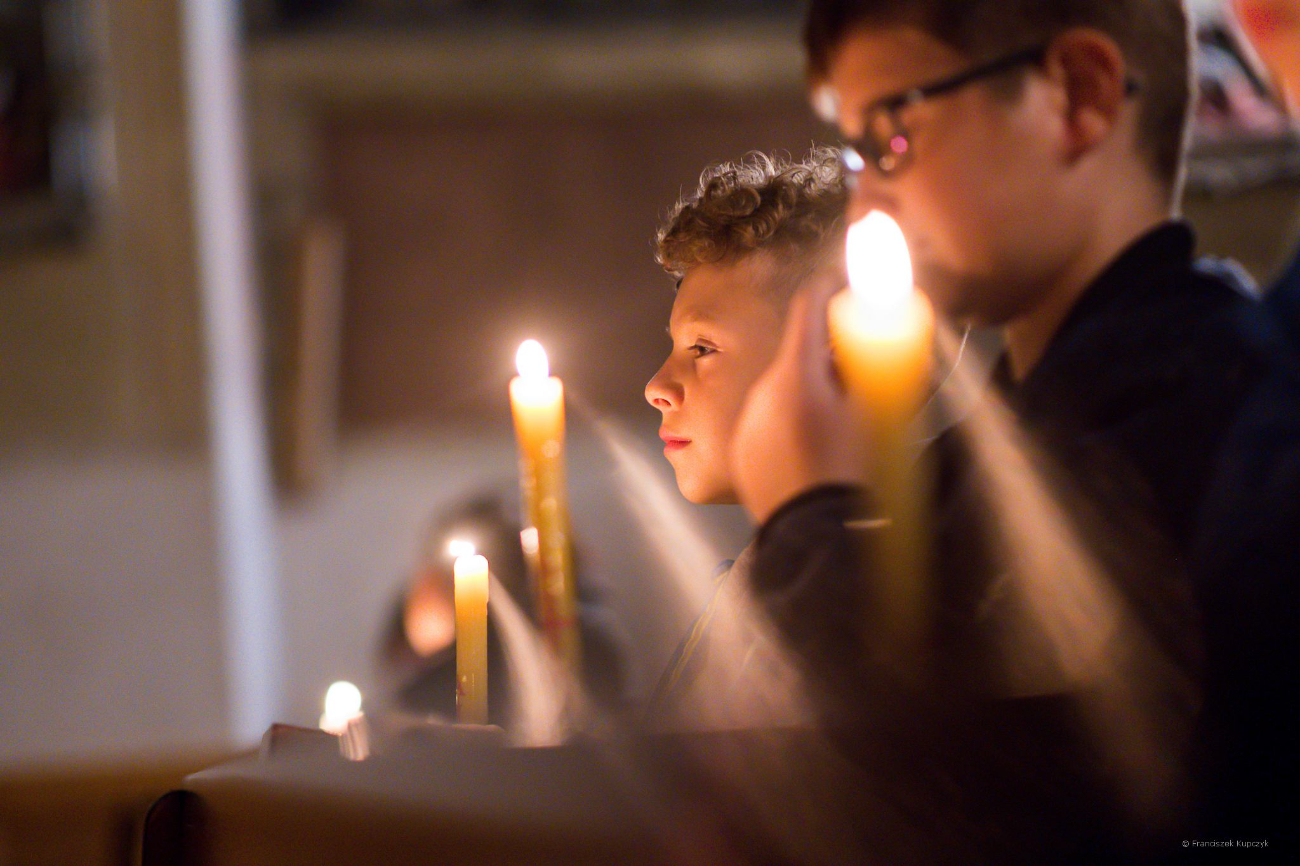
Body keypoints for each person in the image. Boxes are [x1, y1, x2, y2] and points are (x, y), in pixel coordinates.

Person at [727, 0, 1300, 856]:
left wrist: (811, 521)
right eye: (854, 158)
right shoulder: (1003, 437)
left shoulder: (1205, 417)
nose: (865, 209)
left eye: (893, 134)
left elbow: (978, 805)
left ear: (1077, 96)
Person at [640, 148, 848, 730]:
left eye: (702, 349)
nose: (657, 386)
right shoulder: (754, 583)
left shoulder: (847, 607)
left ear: (829, 362)